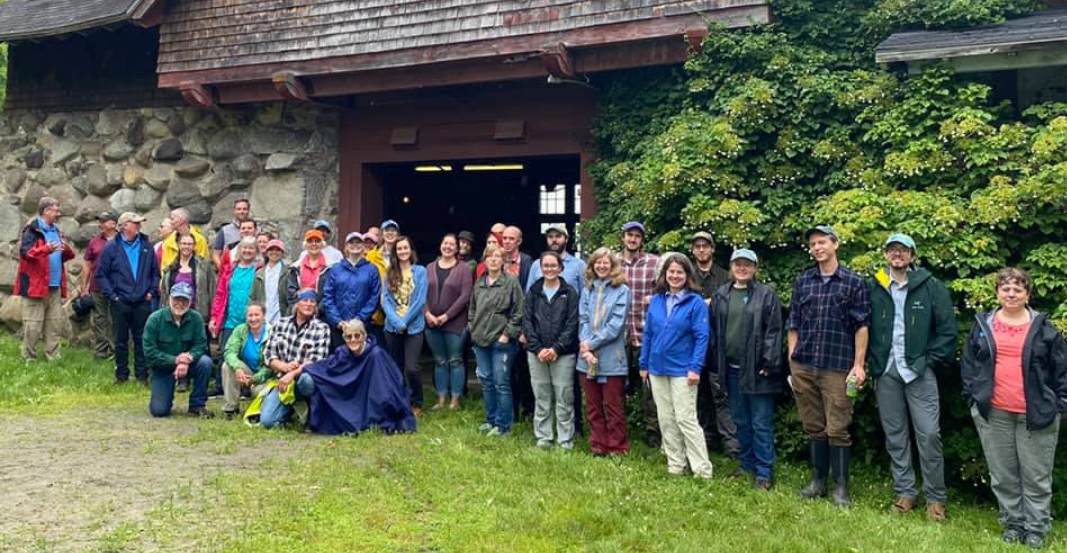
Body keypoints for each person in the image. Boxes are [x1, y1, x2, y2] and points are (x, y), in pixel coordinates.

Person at [961, 268, 1066, 549]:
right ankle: (1013, 524)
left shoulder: (1044, 328)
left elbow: (1061, 370)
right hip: (994, 412)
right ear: (997, 292)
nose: (1011, 294)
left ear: (1027, 294)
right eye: (1005, 289)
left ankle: (1035, 528)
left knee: (1036, 475)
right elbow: (970, 364)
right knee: (1003, 474)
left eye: (1017, 289)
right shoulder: (983, 325)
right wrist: (973, 397)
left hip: (1037, 414)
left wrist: (1058, 404)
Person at [868, 233, 956, 521]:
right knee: (895, 436)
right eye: (892, 250)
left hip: (919, 370)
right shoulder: (876, 286)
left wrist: (929, 362)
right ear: (885, 255)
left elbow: (947, 332)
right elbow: (862, 325)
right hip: (886, 369)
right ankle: (905, 492)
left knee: (929, 435)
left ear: (912, 256)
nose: (897, 254)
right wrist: (871, 362)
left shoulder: (931, 287)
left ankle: (936, 498)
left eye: (903, 250)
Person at [789, 225, 870, 508]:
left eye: (822, 242)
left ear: (835, 244)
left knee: (838, 428)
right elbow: (794, 323)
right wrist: (792, 359)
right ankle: (818, 482)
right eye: (813, 244)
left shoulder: (853, 282)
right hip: (804, 363)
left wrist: (858, 365)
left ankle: (841, 488)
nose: (817, 248)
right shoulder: (804, 281)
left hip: (837, 366)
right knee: (814, 426)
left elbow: (862, 326)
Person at [712, 249, 783, 490]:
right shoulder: (721, 295)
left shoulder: (766, 295)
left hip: (758, 370)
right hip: (730, 369)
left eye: (747, 264)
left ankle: (764, 472)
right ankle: (746, 465)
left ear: (755, 268)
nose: (742, 268)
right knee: (740, 420)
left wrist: (769, 363)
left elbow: (774, 331)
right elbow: (715, 334)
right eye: (737, 264)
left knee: (761, 422)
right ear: (731, 267)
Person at [640, 253, 713, 478]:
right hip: (656, 368)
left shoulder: (696, 302)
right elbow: (649, 334)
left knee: (685, 418)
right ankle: (676, 464)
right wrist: (643, 363)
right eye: (671, 271)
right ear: (664, 274)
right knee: (666, 417)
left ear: (687, 275)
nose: (674, 276)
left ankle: (702, 469)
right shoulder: (657, 301)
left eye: (679, 272)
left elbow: (702, 337)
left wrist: (695, 368)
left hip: (683, 369)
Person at [304, 318, 418, 434]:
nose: (353, 340)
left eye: (357, 336)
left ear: (364, 336)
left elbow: (386, 386)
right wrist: (306, 367)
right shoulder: (343, 352)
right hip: (353, 400)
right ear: (344, 338)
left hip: (371, 400)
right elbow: (327, 368)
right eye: (349, 337)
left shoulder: (376, 355)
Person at [523, 251, 580, 449]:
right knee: (542, 395)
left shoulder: (569, 292)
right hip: (536, 353)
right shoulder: (533, 291)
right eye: (545, 266)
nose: (549, 269)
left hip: (563, 354)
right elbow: (527, 322)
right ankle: (544, 437)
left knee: (564, 396)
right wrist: (538, 348)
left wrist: (556, 348)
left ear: (560, 268)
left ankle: (565, 440)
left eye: (553, 265)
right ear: (540, 268)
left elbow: (572, 324)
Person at [95, 212, 161, 384]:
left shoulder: (146, 245)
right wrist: (113, 296)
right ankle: (121, 375)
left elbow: (155, 273)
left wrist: (151, 292)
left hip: (142, 301)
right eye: (135, 223)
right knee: (120, 340)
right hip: (120, 301)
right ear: (124, 226)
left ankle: (142, 375)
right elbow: (101, 275)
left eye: (139, 223)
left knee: (142, 339)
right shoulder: (111, 247)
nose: (139, 226)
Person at [578, 248, 631, 456]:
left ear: (613, 266)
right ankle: (598, 444)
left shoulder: (622, 290)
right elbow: (582, 319)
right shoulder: (587, 290)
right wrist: (585, 346)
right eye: (597, 263)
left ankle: (617, 446)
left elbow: (615, 326)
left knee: (613, 405)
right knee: (592, 405)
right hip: (587, 359)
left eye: (605, 263)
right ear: (592, 266)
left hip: (611, 358)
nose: (601, 266)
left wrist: (591, 344)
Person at [690, 231, 738, 458]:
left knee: (722, 394)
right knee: (699, 396)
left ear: (712, 249)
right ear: (693, 250)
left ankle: (730, 443)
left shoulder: (725, 276)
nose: (701, 250)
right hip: (692, 345)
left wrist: (706, 304)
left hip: (719, 343)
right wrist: (707, 303)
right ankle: (706, 439)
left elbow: (729, 305)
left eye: (705, 246)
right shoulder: (687, 275)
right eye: (697, 246)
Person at [469, 244, 524, 436]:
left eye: (497, 256)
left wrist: (507, 334)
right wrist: (472, 328)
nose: (493, 260)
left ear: (503, 261)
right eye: (489, 256)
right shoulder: (480, 283)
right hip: (480, 340)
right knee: (486, 380)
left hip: (501, 341)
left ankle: (503, 425)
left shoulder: (510, 282)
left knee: (502, 383)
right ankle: (490, 419)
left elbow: (518, 312)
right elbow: (472, 310)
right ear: (485, 260)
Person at [259, 289, 331, 428]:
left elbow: (317, 360)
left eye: (312, 301)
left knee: (307, 380)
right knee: (267, 421)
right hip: (282, 382)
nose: (309, 304)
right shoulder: (280, 324)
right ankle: (290, 411)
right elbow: (268, 355)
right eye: (305, 300)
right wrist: (283, 367)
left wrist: (292, 373)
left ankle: (310, 409)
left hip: (304, 380)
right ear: (297, 304)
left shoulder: (322, 328)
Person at [15, 197, 75, 361]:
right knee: (33, 325)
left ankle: (53, 356)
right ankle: (29, 357)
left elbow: (66, 256)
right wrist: (45, 249)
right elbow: (25, 253)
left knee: (54, 323)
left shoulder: (56, 231)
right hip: (35, 285)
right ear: (46, 210)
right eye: (56, 209)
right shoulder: (31, 230)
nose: (58, 213)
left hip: (54, 285)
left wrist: (67, 250)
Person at [143, 282, 214, 418]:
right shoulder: (155, 320)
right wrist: (175, 360)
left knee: (205, 362)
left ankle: (197, 405)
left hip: (189, 364)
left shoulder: (196, 318)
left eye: (184, 300)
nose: (180, 303)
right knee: (159, 411)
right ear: (169, 299)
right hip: (163, 368)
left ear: (190, 301)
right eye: (177, 299)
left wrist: (187, 358)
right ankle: (166, 395)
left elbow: (201, 345)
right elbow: (149, 352)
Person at [619, 221, 661, 448]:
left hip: (646, 335)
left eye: (637, 236)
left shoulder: (654, 262)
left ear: (642, 240)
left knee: (650, 390)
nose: (633, 239)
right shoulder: (613, 262)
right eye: (629, 235)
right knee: (618, 386)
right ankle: (619, 429)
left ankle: (653, 432)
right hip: (619, 335)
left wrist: (655, 299)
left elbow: (666, 292)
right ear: (623, 238)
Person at [425, 234, 473, 410]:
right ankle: (441, 399)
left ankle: (455, 400)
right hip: (431, 323)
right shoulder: (429, 267)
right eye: (445, 243)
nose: (448, 246)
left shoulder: (464, 269)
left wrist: (447, 316)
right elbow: (421, 292)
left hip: (455, 323)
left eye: (452, 244)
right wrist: (427, 313)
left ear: (457, 248)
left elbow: (465, 296)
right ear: (440, 246)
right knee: (439, 360)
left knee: (455, 360)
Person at [382, 235, 428, 413]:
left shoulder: (420, 271)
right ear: (395, 252)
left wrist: (404, 322)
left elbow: (420, 300)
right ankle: (399, 400)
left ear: (411, 250)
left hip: (414, 327)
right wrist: (396, 322)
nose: (402, 251)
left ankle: (417, 402)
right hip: (392, 328)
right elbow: (385, 300)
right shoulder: (390, 272)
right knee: (395, 367)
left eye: (405, 248)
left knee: (412, 368)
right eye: (399, 248)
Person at [322, 232, 381, 349]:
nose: (355, 245)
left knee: (362, 360)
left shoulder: (372, 269)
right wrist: (338, 321)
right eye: (351, 242)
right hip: (339, 327)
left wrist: (359, 319)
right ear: (346, 246)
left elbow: (375, 297)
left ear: (363, 246)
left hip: (363, 326)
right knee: (340, 360)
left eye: (358, 242)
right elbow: (328, 296)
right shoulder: (335, 269)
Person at [221, 302, 272, 419]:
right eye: (250, 315)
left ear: (264, 316)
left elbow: (272, 365)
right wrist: (238, 368)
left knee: (258, 392)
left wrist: (254, 379)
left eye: (257, 315)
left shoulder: (272, 332)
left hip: (265, 376)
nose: (253, 319)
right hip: (246, 371)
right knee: (227, 366)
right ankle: (231, 408)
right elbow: (229, 351)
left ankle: (257, 410)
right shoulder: (240, 330)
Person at [82, 212, 118, 360]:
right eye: (100, 221)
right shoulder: (94, 242)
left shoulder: (123, 240)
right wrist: (84, 287)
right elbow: (87, 264)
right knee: (100, 319)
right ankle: (101, 351)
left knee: (115, 319)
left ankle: (115, 351)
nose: (100, 224)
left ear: (114, 224)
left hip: (117, 287)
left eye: (104, 221)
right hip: (97, 286)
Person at [525, 224, 585, 292]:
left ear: (566, 239)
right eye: (550, 237)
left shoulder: (579, 265)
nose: (554, 240)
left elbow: (584, 296)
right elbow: (529, 293)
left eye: (558, 236)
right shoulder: (537, 264)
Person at [285, 229, 334, 308]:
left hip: (324, 314)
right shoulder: (296, 267)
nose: (313, 244)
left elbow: (332, 293)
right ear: (305, 245)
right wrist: (300, 310)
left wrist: (318, 310)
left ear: (322, 244)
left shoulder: (331, 266)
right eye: (310, 241)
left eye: (317, 241)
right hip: (301, 313)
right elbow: (291, 295)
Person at [251, 239, 289, 324]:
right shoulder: (259, 273)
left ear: (282, 253)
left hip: (280, 317)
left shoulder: (287, 272)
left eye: (278, 250)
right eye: (271, 249)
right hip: (262, 318)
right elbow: (253, 297)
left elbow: (290, 298)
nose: (274, 252)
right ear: (267, 252)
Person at [212, 197, 251, 269]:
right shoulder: (225, 230)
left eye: (244, 209)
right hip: (230, 273)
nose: (242, 211)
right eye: (239, 209)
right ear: (234, 211)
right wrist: (223, 271)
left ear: (248, 210)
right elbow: (216, 255)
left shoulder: (257, 230)